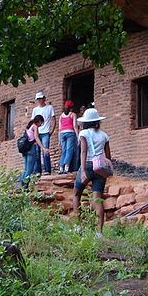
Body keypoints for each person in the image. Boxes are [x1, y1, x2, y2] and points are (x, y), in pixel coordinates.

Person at [71, 107, 111, 237]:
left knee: (76, 193)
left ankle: (78, 226)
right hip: (99, 167)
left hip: (87, 166)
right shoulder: (104, 135)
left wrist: (82, 171)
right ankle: (99, 233)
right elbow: (108, 156)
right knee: (97, 200)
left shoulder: (84, 134)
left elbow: (83, 152)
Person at [31, 92, 56, 175]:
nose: (39, 100)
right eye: (38, 99)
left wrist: (51, 131)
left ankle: (47, 170)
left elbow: (53, 119)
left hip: (45, 132)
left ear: (44, 98)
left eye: (40, 98)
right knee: (37, 152)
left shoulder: (49, 107)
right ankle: (38, 171)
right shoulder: (35, 110)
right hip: (37, 132)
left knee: (45, 150)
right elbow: (32, 122)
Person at [20, 115, 47, 187]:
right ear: (39, 121)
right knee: (30, 169)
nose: (41, 124)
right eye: (41, 122)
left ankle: (22, 185)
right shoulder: (35, 126)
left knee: (25, 168)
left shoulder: (29, 125)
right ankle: (25, 186)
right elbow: (36, 137)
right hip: (31, 148)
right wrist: (43, 147)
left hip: (25, 149)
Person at [58, 100, 78, 173]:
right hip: (70, 133)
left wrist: (59, 140)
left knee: (64, 150)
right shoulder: (73, 115)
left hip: (62, 134)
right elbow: (75, 126)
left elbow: (59, 129)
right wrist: (77, 136)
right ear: (71, 108)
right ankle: (66, 167)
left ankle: (61, 167)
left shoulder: (61, 116)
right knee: (69, 150)